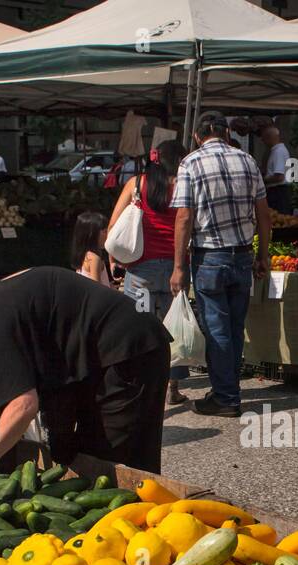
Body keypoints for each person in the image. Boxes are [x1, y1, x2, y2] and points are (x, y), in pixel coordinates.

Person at [0, 268, 171, 496]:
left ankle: (149, 534)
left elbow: (22, 404)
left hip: (129, 350)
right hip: (112, 353)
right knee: (88, 456)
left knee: (115, 463)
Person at [170, 111, 271, 418]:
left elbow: (184, 217)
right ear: (227, 134)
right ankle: (227, 391)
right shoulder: (248, 161)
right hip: (241, 256)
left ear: (197, 136)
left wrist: (178, 267)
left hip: (209, 258)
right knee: (235, 328)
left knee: (217, 330)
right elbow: (264, 215)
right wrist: (262, 255)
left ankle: (226, 397)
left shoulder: (191, 163)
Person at [108, 140, 188, 405]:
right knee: (171, 329)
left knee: (137, 328)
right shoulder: (183, 186)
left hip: (140, 270)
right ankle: (171, 388)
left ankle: (137, 383)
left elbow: (114, 224)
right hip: (174, 271)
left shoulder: (136, 184)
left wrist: (113, 258)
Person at [70, 211, 113, 288]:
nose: (108, 235)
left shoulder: (84, 256)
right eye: (105, 232)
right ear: (93, 235)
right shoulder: (94, 258)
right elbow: (97, 289)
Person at [260, 123, 293, 215]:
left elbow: (279, 176)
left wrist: (263, 180)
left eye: (264, 138)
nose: (263, 141)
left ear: (269, 138)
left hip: (278, 192)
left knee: (279, 217)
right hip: (277, 191)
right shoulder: (276, 151)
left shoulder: (279, 151)